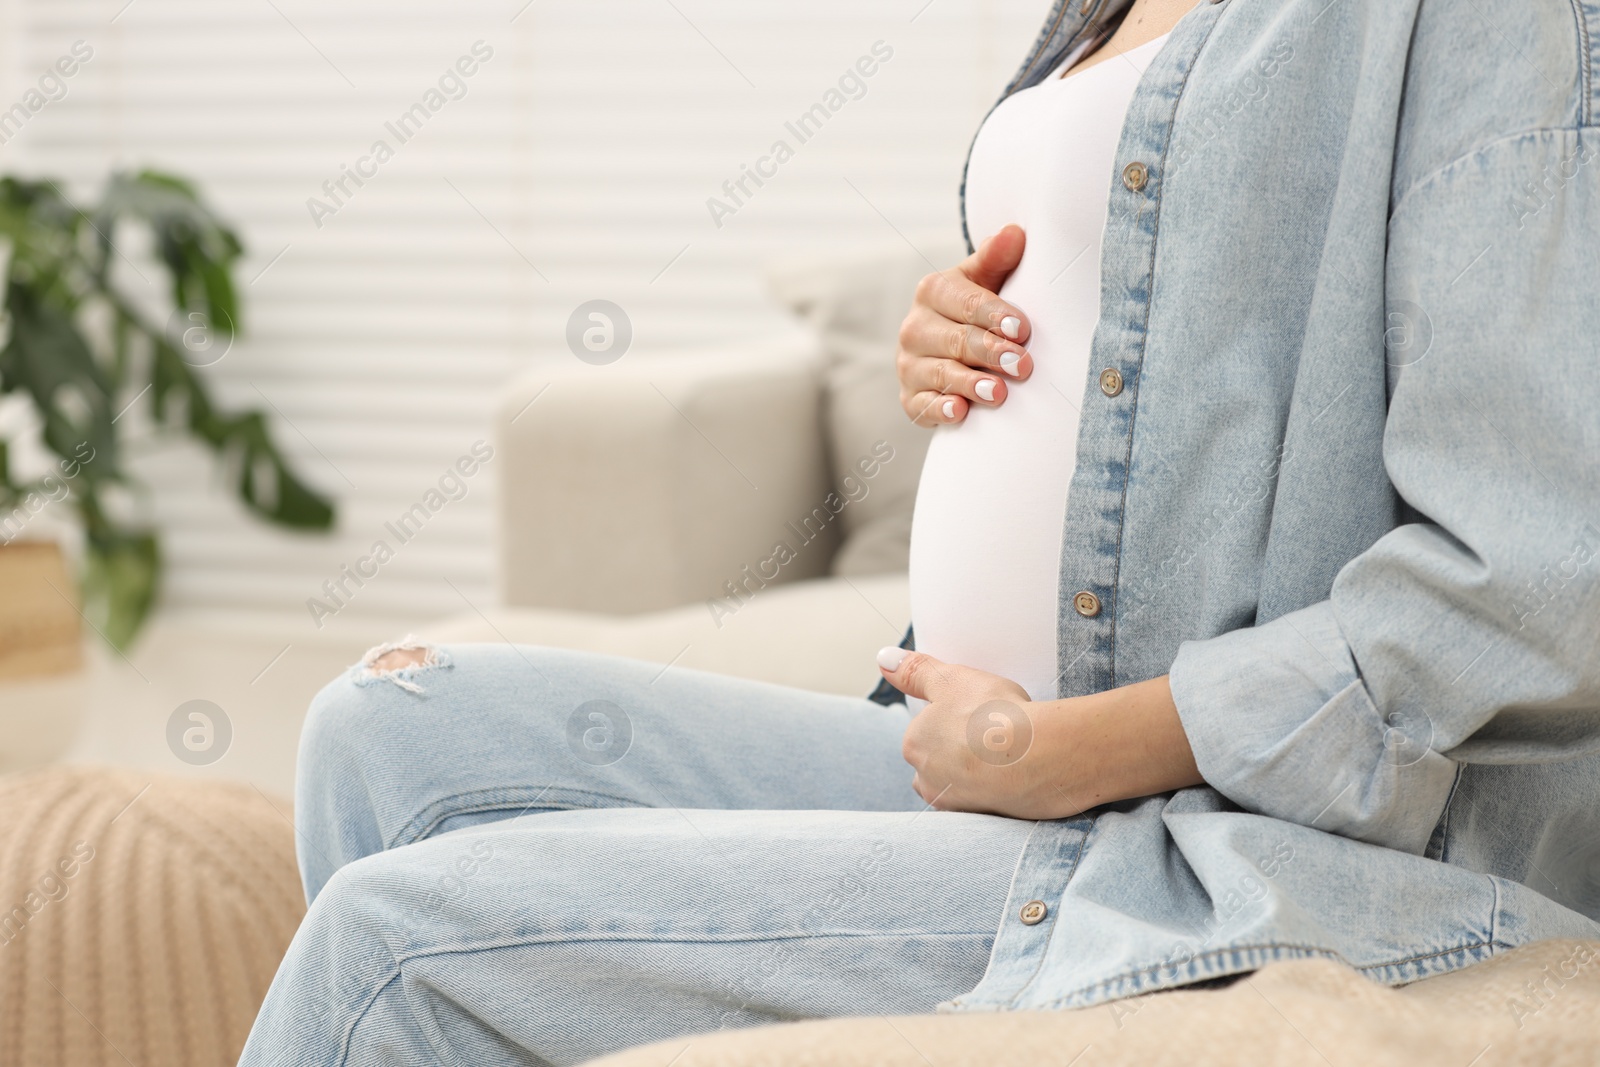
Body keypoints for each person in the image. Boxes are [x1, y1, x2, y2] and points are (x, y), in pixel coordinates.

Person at [239, 0, 1600, 1062]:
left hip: (1237, 838)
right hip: (1014, 752)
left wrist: (1064, 753)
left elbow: (1524, 580)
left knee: (388, 950)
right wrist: (970, 331)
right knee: (390, 732)